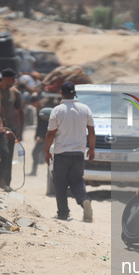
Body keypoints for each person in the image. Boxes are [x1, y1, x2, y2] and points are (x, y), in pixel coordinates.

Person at [45, 81, 95, 222]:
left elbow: (50, 134)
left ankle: (63, 213)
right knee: (77, 180)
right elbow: (91, 131)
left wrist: (46, 151)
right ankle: (84, 200)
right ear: (75, 93)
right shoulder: (85, 109)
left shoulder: (57, 110)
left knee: (60, 183)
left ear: (62, 93)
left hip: (61, 153)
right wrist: (91, 149)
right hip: (79, 153)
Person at [0, 68, 25, 188]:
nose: (14, 81)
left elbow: (20, 112)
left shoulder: (14, 92)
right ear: (5, 79)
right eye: (12, 79)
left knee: (8, 157)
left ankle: (6, 182)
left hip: (10, 130)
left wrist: (20, 131)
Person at [29, 95, 45, 176]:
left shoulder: (43, 110)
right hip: (41, 136)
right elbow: (39, 125)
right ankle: (34, 171)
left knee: (35, 153)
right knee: (36, 153)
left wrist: (42, 136)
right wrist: (36, 134)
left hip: (45, 137)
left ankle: (34, 171)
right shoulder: (38, 110)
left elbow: (46, 125)